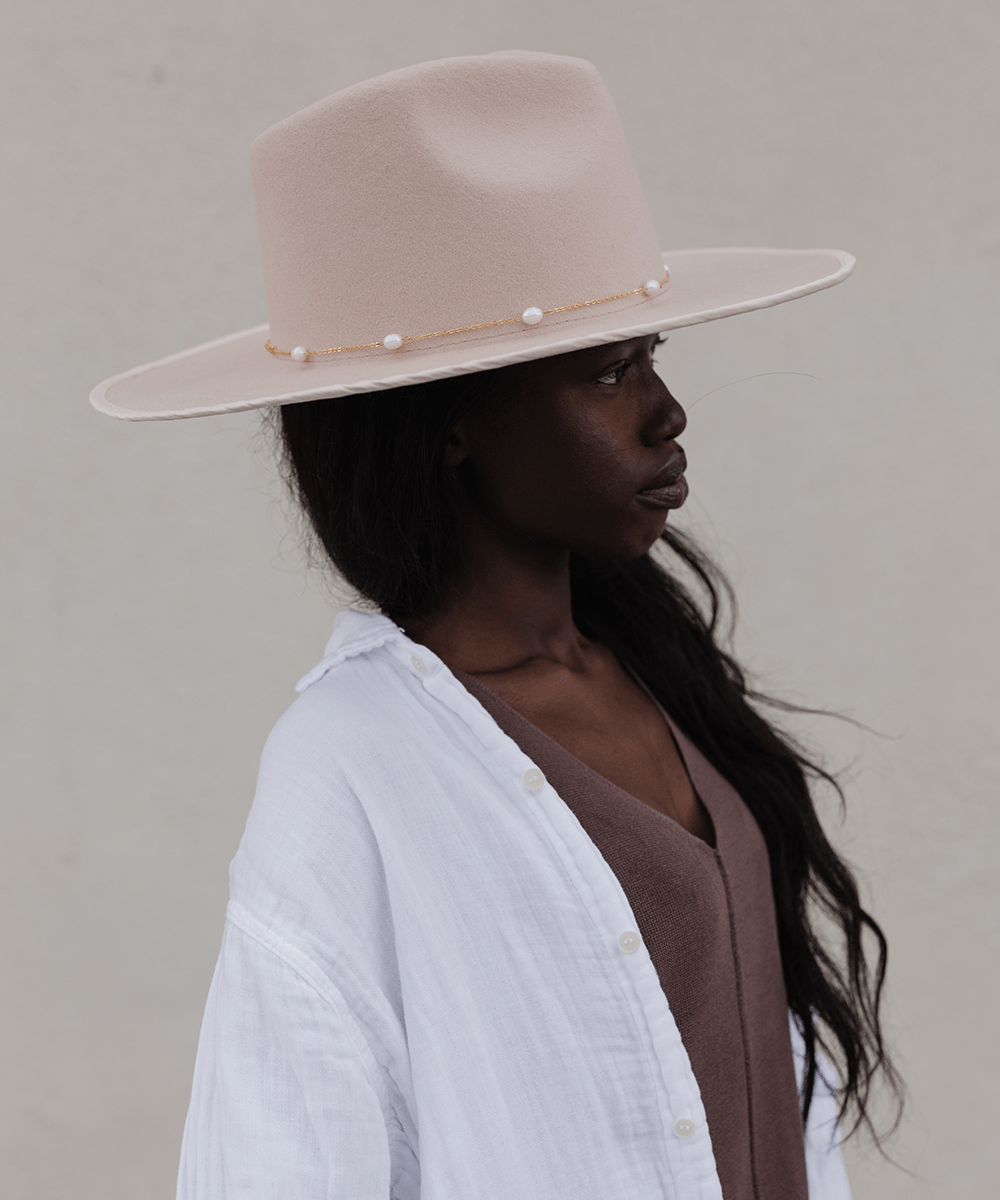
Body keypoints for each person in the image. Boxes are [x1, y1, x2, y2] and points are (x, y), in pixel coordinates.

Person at [92, 51, 899, 1200]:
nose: (667, 414)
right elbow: (282, 1155)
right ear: (454, 422)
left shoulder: (664, 677)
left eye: (651, 359)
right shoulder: (352, 767)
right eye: (610, 372)